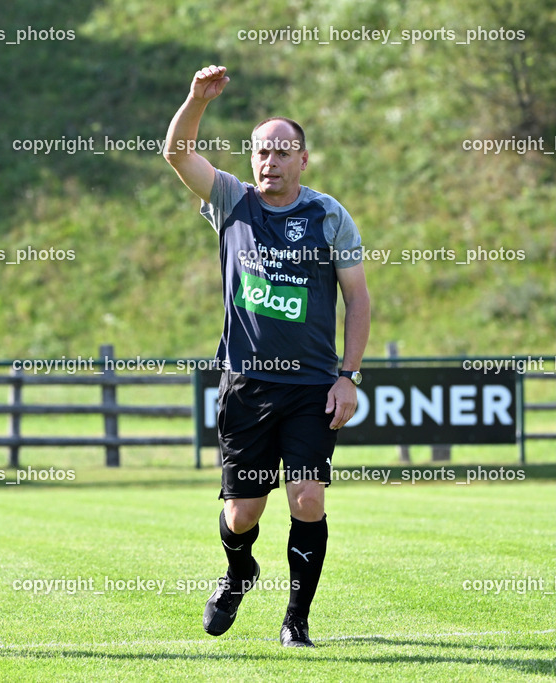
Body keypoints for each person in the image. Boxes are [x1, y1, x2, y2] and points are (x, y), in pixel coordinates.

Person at [163, 65, 370, 647]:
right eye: (261, 152)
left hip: (310, 388)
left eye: (283, 152)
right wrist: (195, 98)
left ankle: (296, 621)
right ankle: (238, 572)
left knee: (306, 496)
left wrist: (348, 377)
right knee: (242, 515)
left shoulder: (328, 215)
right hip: (246, 386)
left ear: (303, 159)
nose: (270, 162)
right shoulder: (232, 201)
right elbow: (177, 154)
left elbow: (357, 299)